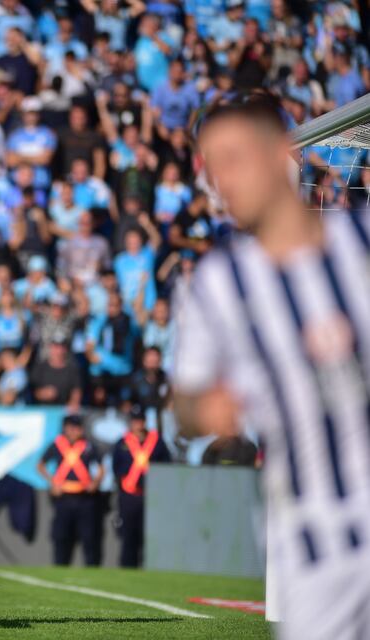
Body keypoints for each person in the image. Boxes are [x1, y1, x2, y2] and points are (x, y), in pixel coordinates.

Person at [174, 92, 370, 638]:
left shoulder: (361, 245)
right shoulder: (218, 285)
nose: (222, 182)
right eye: (212, 168)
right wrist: (207, 408)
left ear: (281, 154)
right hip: (315, 544)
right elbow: (185, 404)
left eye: (234, 159)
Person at [37, 414, 103, 566]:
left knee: (89, 536)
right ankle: (60, 567)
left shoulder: (88, 446)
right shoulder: (57, 445)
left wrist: (95, 482)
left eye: (78, 428)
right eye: (72, 427)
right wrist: (53, 482)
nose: (75, 431)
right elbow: (40, 465)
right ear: (65, 428)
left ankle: (92, 568)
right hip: (63, 497)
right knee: (61, 536)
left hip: (84, 497)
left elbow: (101, 468)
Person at [111, 404, 171, 568]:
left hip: (151, 495)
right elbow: (116, 468)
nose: (138, 424)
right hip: (129, 495)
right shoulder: (122, 443)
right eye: (135, 420)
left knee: (149, 535)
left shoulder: (157, 442)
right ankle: (127, 567)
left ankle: (149, 567)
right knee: (128, 535)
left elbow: (167, 465)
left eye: (140, 420)